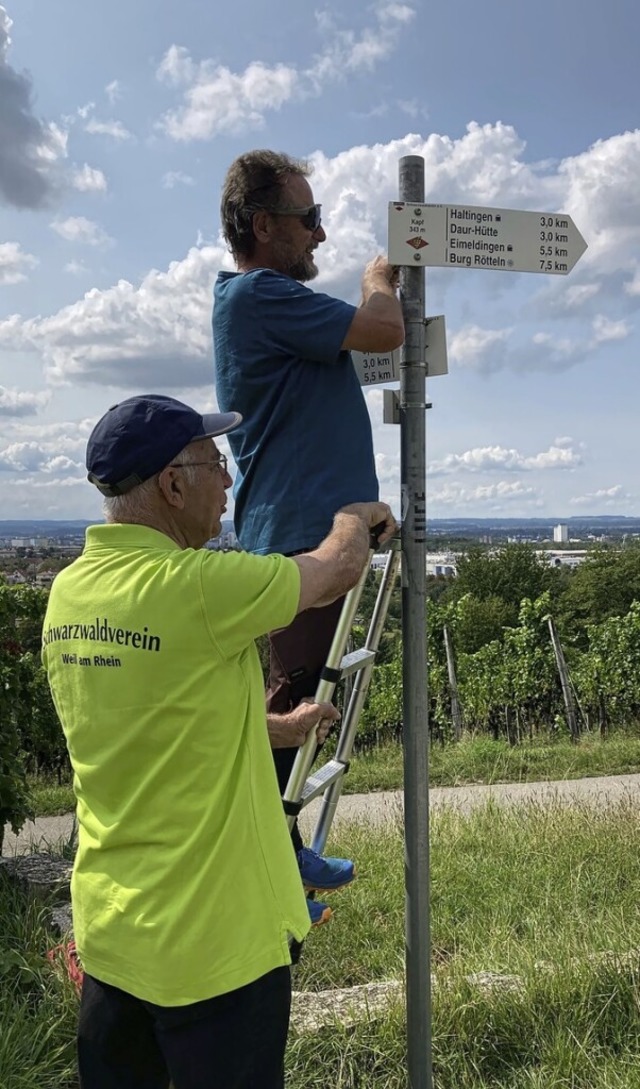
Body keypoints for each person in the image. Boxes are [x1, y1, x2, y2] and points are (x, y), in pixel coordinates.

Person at [41, 393, 396, 1089]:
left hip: (112, 939)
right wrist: (355, 516)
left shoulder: (71, 592)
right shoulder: (200, 587)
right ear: (173, 485)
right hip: (214, 955)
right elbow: (336, 569)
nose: (230, 481)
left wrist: (276, 726)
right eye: (216, 464)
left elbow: (153, 712)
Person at [213, 148, 404, 920]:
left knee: (298, 698)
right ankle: (267, 862)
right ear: (264, 225)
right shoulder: (261, 295)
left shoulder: (270, 309)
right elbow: (384, 331)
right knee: (292, 704)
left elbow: (363, 353)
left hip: (305, 531)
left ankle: (278, 853)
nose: (319, 236)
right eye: (309, 218)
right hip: (300, 539)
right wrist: (380, 276)